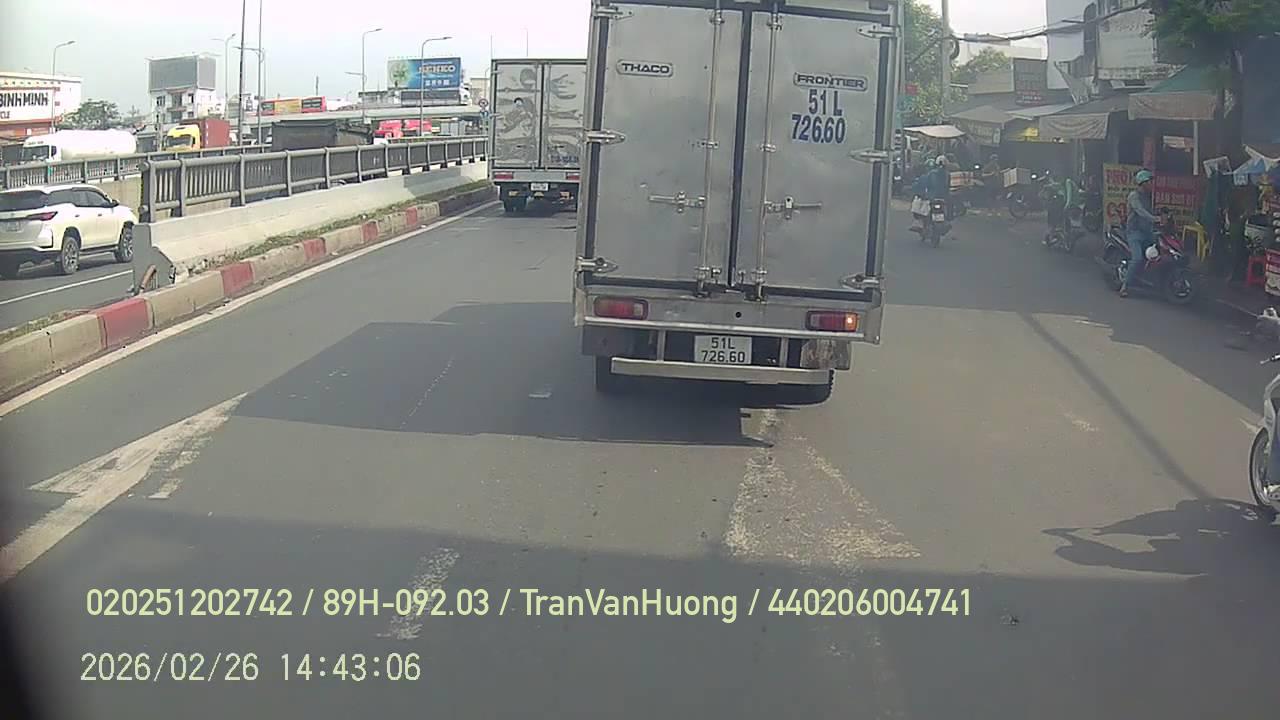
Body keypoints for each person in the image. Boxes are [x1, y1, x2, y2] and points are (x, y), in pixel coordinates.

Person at [1121, 169, 1159, 298]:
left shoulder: (1149, 196)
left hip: (1147, 232)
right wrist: (1155, 219)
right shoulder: (1134, 196)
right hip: (1134, 233)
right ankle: (1125, 286)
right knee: (1137, 259)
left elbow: (1151, 211)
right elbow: (1140, 211)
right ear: (1143, 183)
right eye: (1150, 181)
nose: (1152, 184)